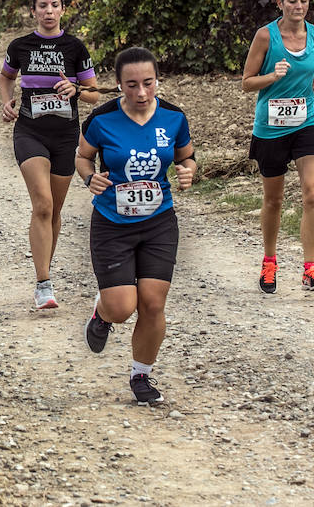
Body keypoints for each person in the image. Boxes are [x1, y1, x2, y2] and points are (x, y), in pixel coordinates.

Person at [77, 47, 196, 405]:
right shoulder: (102, 119)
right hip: (112, 222)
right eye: (131, 85)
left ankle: (141, 375)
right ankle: (103, 313)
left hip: (159, 221)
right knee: (122, 307)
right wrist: (89, 178)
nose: (141, 93)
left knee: (153, 303)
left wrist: (188, 171)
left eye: (148, 83)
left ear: (157, 80)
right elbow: (83, 157)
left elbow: (186, 155)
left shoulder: (174, 118)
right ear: (119, 85)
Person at [0, 0, 100, 309]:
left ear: (63, 9)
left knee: (54, 210)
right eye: (42, 6)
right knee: (42, 204)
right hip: (30, 132)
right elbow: (5, 76)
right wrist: (6, 102)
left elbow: (95, 93)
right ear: (33, 11)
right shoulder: (20, 46)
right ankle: (43, 283)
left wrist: (76, 90)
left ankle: (45, 271)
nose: (49, 12)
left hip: (66, 136)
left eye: (54, 5)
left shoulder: (75, 48)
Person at [240, 0, 314, 293]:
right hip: (270, 127)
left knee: (312, 192)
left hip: (306, 121)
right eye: (292, 1)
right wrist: (271, 75)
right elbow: (247, 82)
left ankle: (311, 267)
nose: (299, 7)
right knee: (274, 200)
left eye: (304, 1)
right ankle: (269, 262)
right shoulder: (265, 37)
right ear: (279, 3)